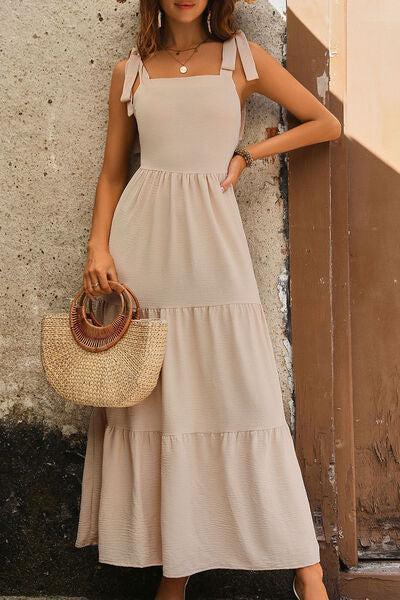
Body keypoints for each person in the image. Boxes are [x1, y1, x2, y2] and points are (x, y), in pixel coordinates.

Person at [75, 1, 341, 599]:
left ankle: (308, 570)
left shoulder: (243, 57)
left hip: (214, 245)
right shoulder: (131, 72)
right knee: (162, 403)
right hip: (145, 245)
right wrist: (98, 249)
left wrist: (250, 155)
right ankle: (177, 571)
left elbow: (324, 123)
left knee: (245, 396)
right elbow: (114, 171)